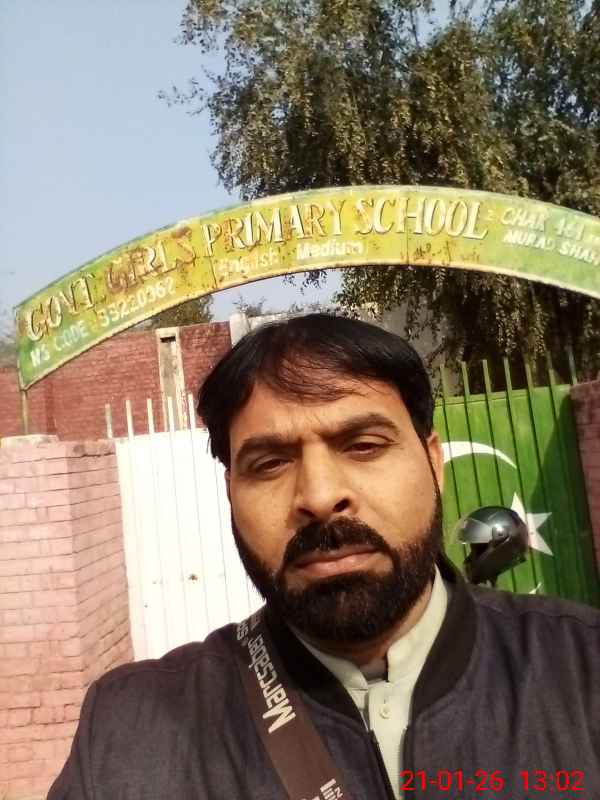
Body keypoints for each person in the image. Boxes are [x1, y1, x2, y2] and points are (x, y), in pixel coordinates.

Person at [48, 313, 599, 800]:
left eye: (363, 446)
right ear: (231, 494)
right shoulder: (128, 734)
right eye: (269, 464)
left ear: (434, 464)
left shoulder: (582, 670)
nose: (318, 495)